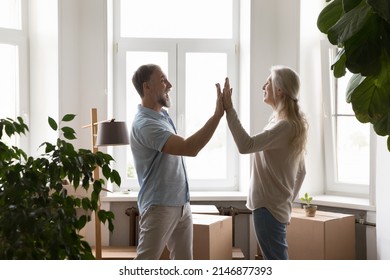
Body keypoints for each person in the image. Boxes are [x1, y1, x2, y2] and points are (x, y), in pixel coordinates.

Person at [130, 64, 224, 260]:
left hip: (181, 203)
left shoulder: (162, 116)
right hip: (159, 206)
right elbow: (189, 148)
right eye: (163, 80)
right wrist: (217, 115)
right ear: (147, 87)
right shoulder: (145, 124)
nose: (170, 84)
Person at [217, 65, 308, 260]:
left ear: (279, 90)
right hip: (274, 207)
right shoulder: (289, 124)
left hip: (268, 209)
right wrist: (286, 201)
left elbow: (245, 145)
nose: (263, 86)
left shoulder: (284, 126)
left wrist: (229, 110)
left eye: (268, 82)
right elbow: (302, 172)